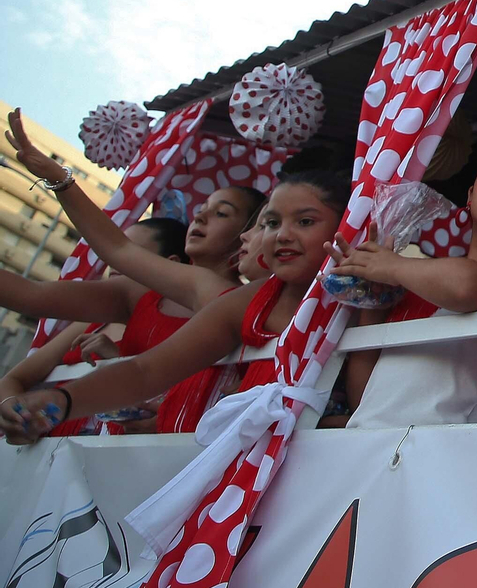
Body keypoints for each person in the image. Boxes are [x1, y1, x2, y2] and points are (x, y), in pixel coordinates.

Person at [0, 171, 347, 444]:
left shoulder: (365, 295)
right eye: (271, 223)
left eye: (304, 222)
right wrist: (60, 402)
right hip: (231, 472)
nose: (281, 235)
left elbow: (368, 409)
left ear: (348, 223)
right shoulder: (249, 301)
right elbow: (145, 372)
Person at [2, 109, 267, 432]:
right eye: (200, 210)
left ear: (249, 232)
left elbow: (118, 248)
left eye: (221, 214)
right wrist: (58, 178)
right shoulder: (137, 292)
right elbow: (33, 295)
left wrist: (61, 180)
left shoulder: (244, 301)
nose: (199, 218)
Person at [332, 137, 477, 428]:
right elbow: (364, 400)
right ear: (470, 193)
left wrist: (391, 266)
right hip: (369, 450)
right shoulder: (412, 281)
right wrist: (374, 302)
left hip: (441, 457)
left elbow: (466, 285)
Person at [0, 218, 190, 437]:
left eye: (128, 254)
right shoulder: (90, 324)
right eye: (111, 252)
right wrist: (14, 409)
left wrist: (117, 359)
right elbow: (14, 379)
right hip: (46, 451)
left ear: (171, 264)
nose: (115, 262)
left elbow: (168, 398)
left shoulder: (183, 328)